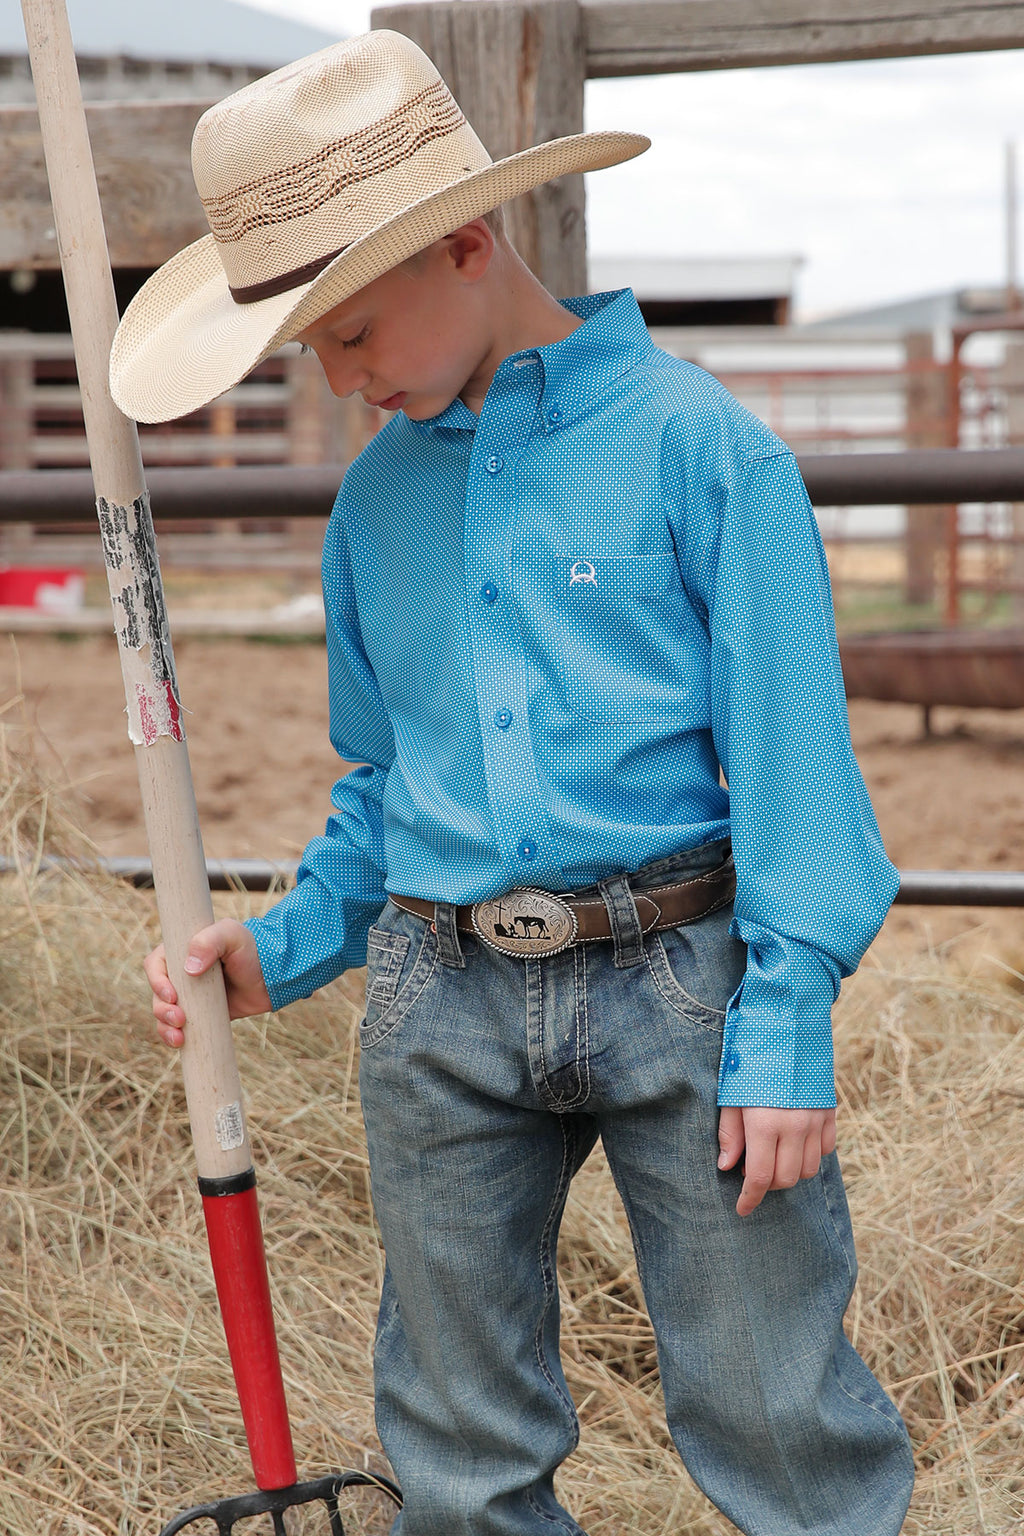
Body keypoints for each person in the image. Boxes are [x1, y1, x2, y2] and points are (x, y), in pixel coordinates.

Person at [117, 30, 915, 1536]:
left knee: (774, 1405)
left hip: (683, 978)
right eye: (315, 355)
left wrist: (787, 1020)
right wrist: (277, 948)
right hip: (437, 992)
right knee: (456, 1442)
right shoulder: (376, 501)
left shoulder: (700, 452)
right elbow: (385, 782)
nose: (344, 384)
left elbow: (795, 758)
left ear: (468, 244)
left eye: (350, 335)